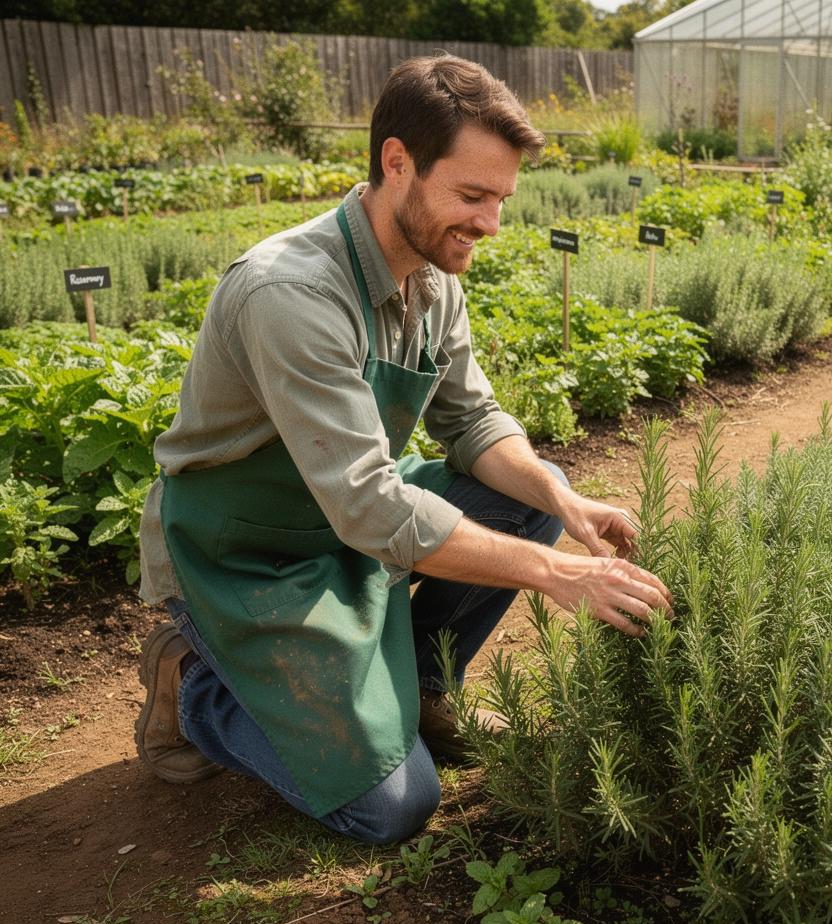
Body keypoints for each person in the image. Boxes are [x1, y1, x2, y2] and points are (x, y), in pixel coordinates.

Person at [134, 55, 671, 845]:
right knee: (393, 806)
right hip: (244, 554)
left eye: (500, 199)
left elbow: (475, 423)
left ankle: (416, 691)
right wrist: (560, 573)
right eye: (472, 195)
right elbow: (368, 503)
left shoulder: (433, 276)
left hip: (345, 522)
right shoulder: (291, 292)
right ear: (397, 164)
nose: (491, 223)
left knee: (533, 486)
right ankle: (188, 685)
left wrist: (563, 505)